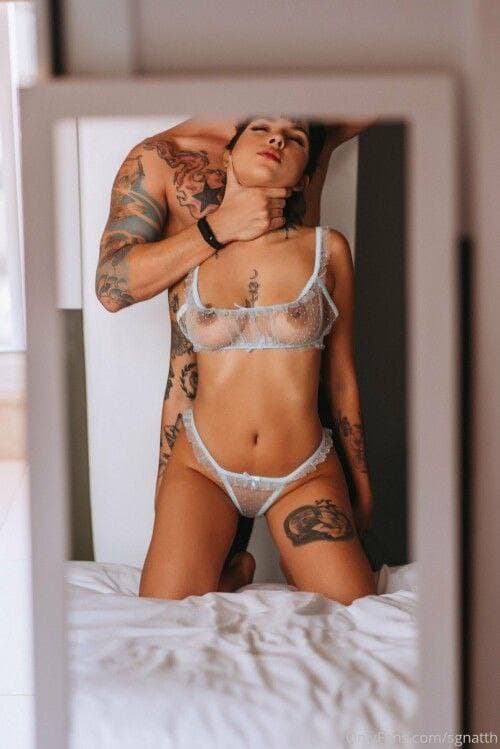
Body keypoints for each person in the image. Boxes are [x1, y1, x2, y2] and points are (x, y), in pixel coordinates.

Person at [96, 115, 375, 594]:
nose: (277, 138)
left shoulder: (327, 248)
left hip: (301, 467)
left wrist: (362, 486)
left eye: (294, 138)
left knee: (354, 604)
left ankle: (295, 562)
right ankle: (233, 572)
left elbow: (341, 377)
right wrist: (165, 491)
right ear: (226, 156)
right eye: (261, 129)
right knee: (163, 610)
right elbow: (177, 374)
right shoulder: (186, 239)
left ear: (306, 175)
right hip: (203, 465)